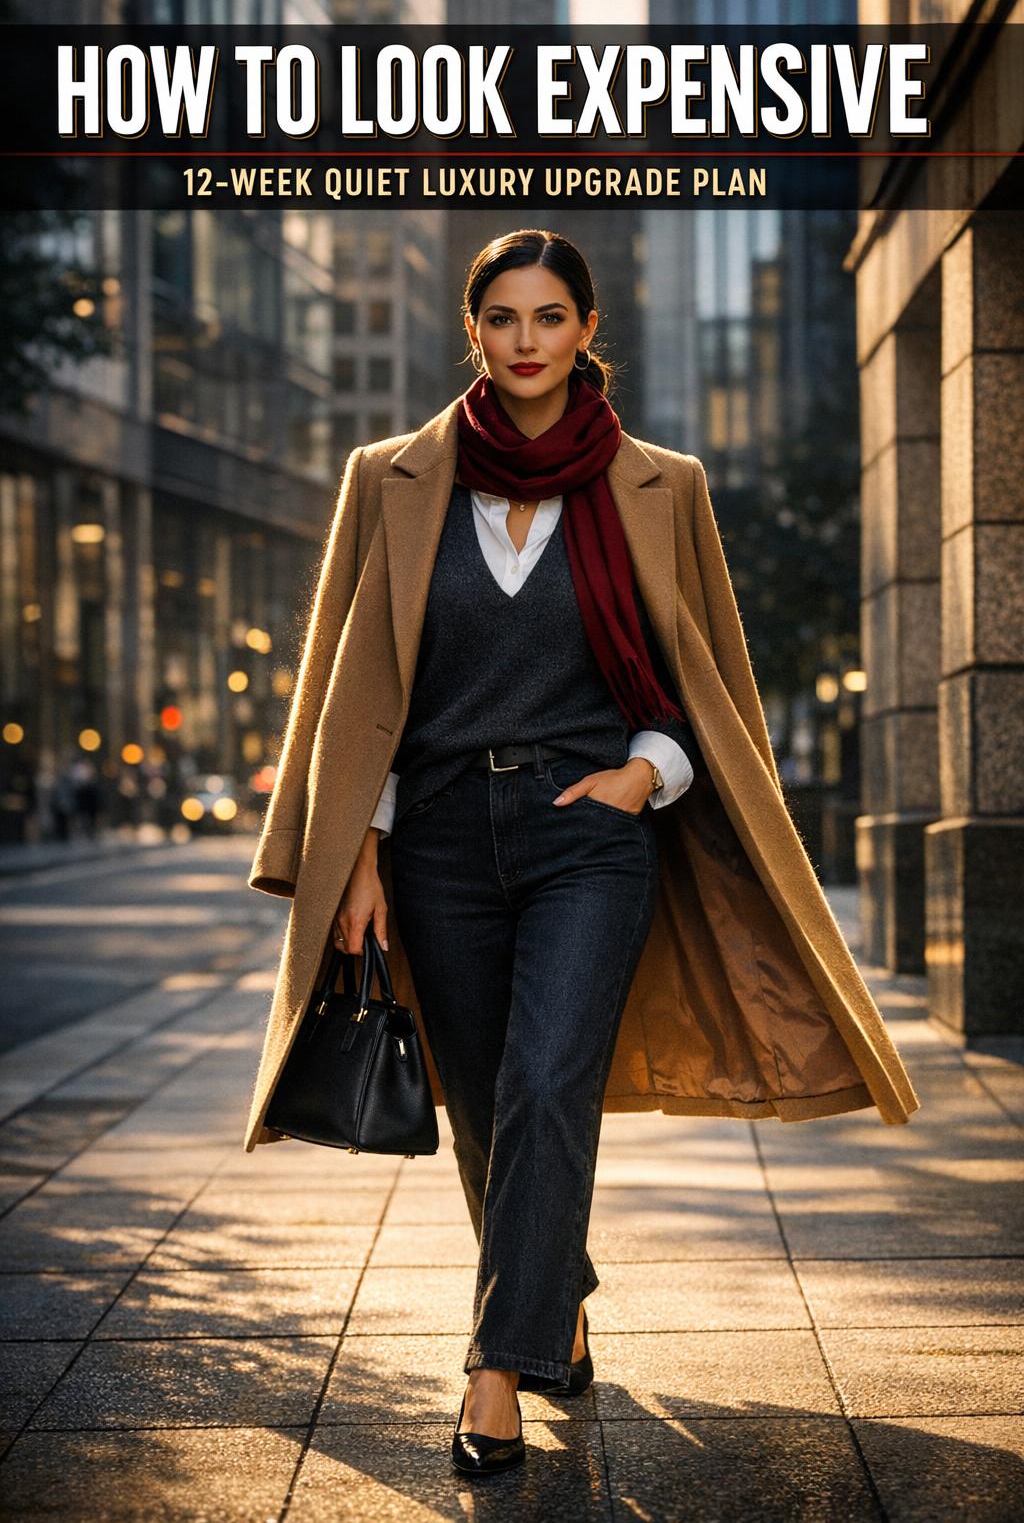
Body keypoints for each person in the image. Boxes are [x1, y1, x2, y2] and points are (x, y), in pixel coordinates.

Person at [244, 228, 919, 1479]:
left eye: (549, 316)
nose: (525, 341)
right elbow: (355, 683)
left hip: (590, 836)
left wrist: (641, 776)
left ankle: (495, 1371)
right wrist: (361, 856)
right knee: (488, 1107)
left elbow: (703, 681)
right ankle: (552, 1302)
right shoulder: (389, 478)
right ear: (473, 331)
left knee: (549, 1082)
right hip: (438, 837)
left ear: (586, 329)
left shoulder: (663, 485)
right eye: (502, 318)